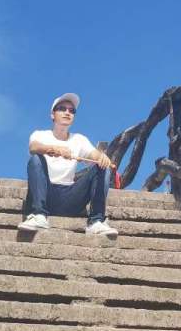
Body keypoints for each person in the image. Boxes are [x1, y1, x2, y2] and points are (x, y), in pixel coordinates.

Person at [19, 92, 118, 237]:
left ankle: (96, 221)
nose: (67, 112)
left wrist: (102, 157)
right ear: (52, 115)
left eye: (72, 111)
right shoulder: (40, 135)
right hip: (45, 194)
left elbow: (94, 155)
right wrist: (53, 149)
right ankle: (38, 215)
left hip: (70, 198)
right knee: (36, 159)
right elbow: (33, 147)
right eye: (62, 109)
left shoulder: (79, 139)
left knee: (102, 166)